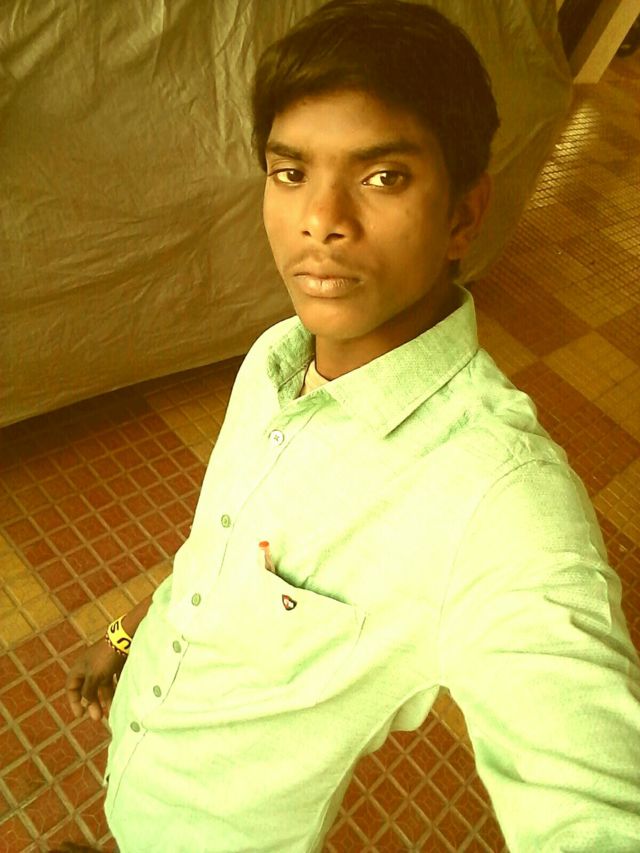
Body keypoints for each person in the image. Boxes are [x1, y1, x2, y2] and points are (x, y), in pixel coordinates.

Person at [65, 1, 640, 851]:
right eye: (291, 171)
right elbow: (213, 549)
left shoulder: (498, 502)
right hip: (130, 768)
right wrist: (124, 634)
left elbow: (594, 802)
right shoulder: (274, 358)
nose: (320, 219)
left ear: (464, 213)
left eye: (383, 176)